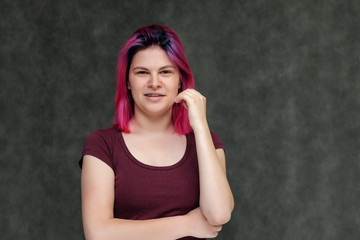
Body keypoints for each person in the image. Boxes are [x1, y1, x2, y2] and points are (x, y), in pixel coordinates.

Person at [80, 24, 234, 240]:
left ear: (180, 79)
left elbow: (218, 214)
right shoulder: (103, 145)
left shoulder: (206, 141)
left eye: (165, 72)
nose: (154, 83)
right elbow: (98, 233)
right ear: (128, 81)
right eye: (142, 72)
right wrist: (186, 224)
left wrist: (200, 126)